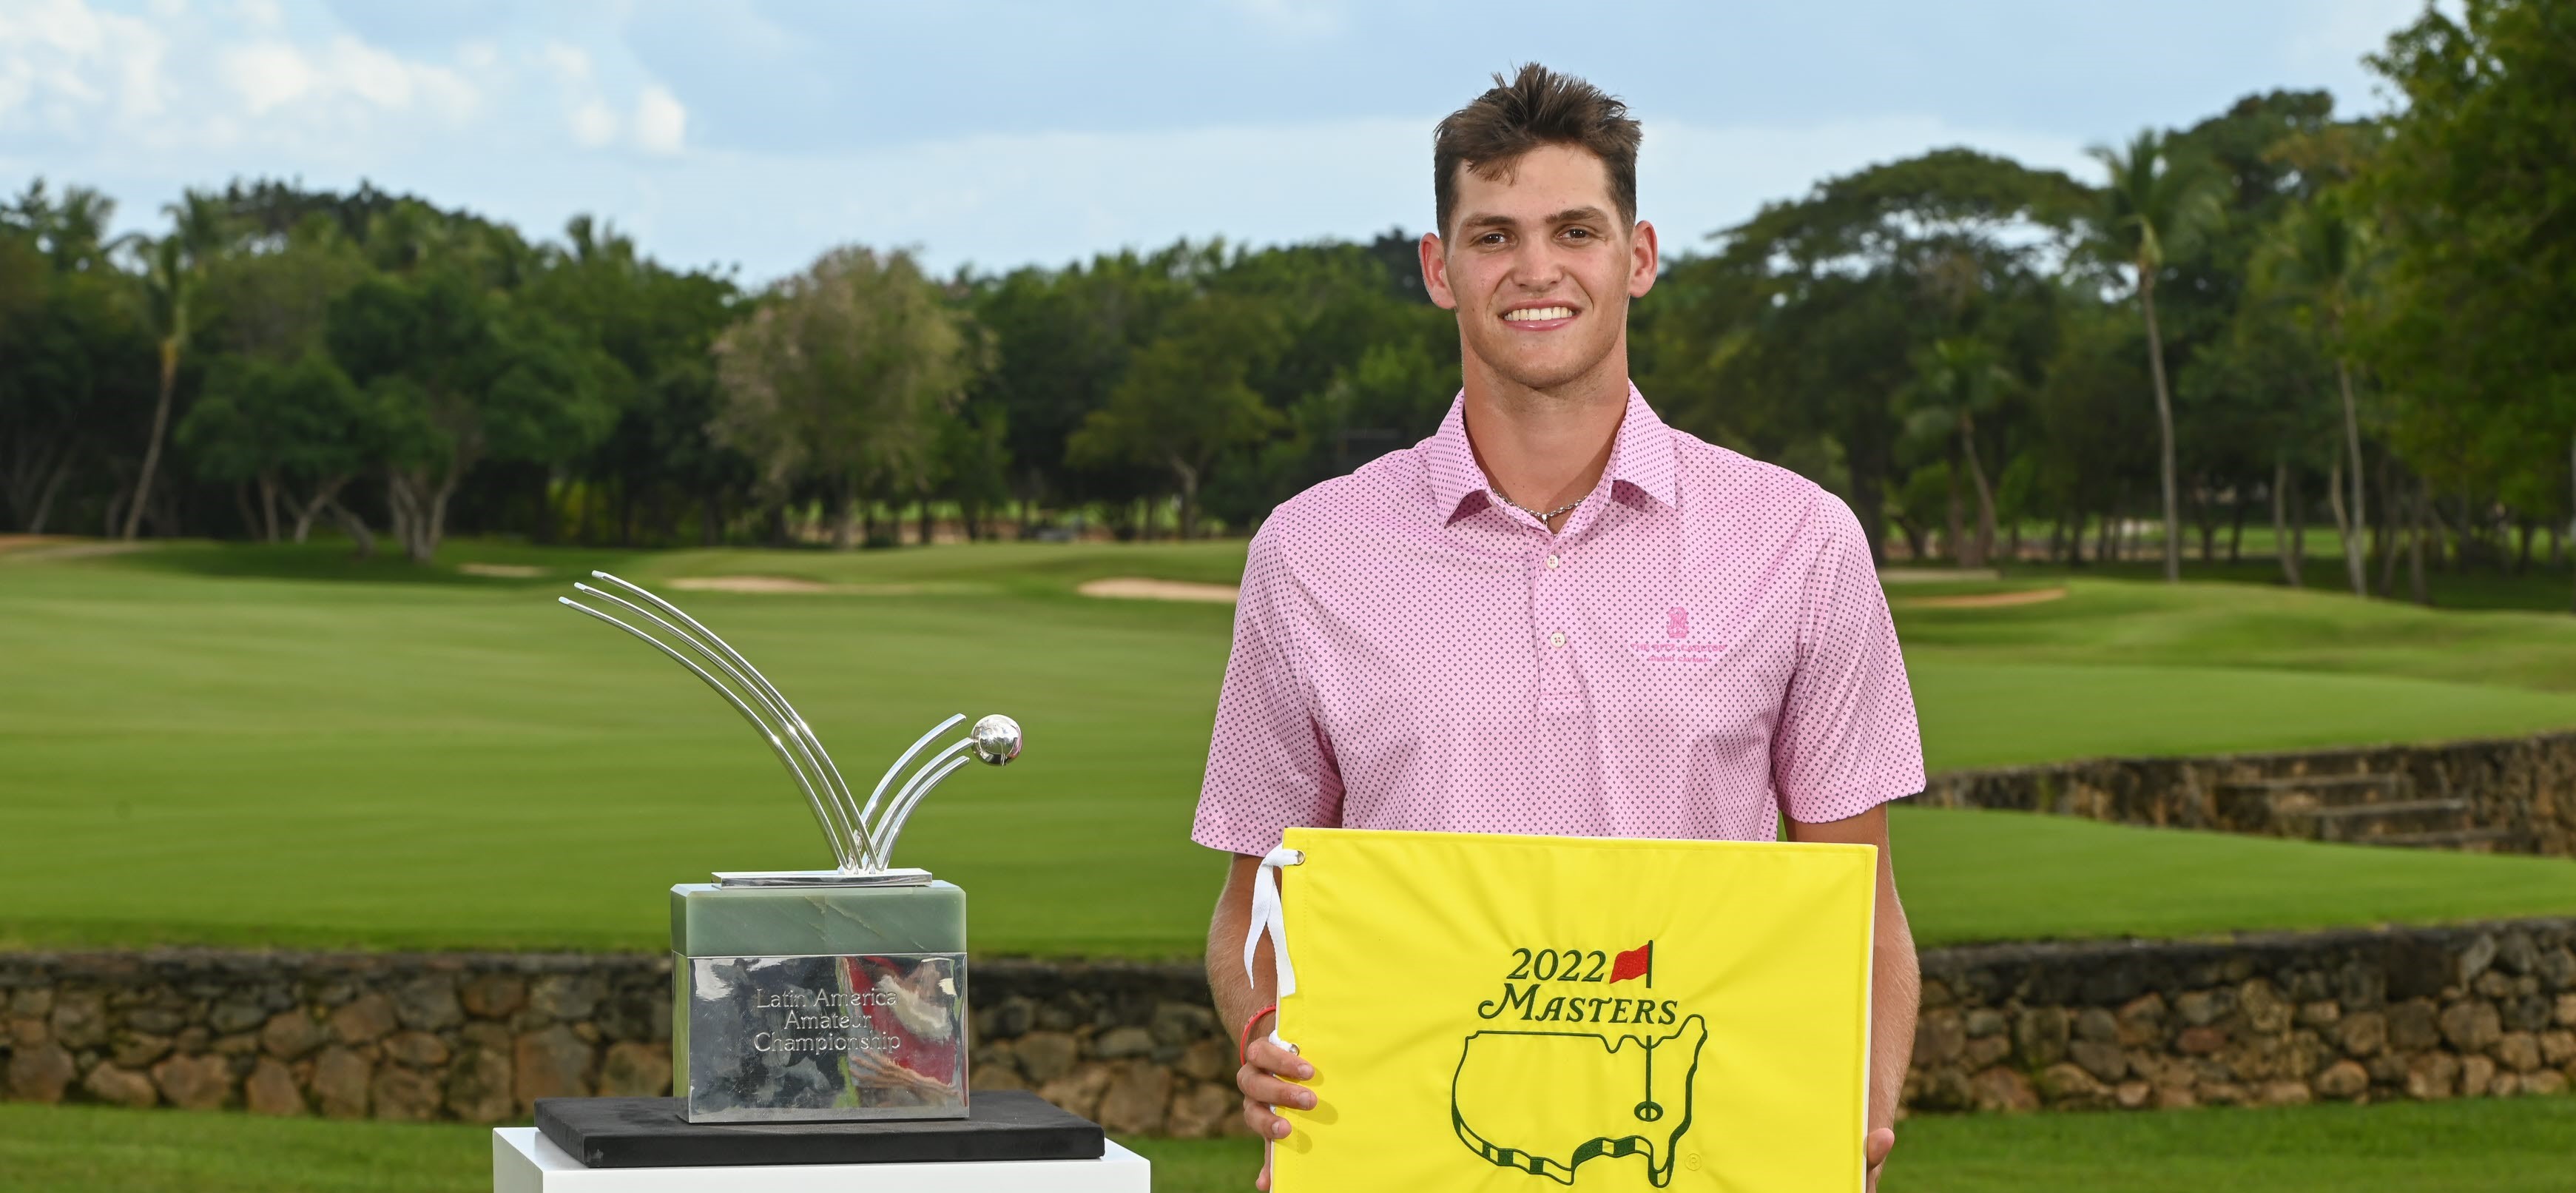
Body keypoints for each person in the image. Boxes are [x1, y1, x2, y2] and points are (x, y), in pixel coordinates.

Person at [1191, 64, 1925, 1192]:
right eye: (1493, 237)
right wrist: (1261, 1038)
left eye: (1573, 230)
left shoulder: (1798, 540)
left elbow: (1858, 910)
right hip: (1400, 1163)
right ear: (1440, 270)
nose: (1535, 270)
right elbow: (1258, 902)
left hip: (1698, 1154)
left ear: (1636, 256)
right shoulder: (1309, 550)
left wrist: (1851, 1118)